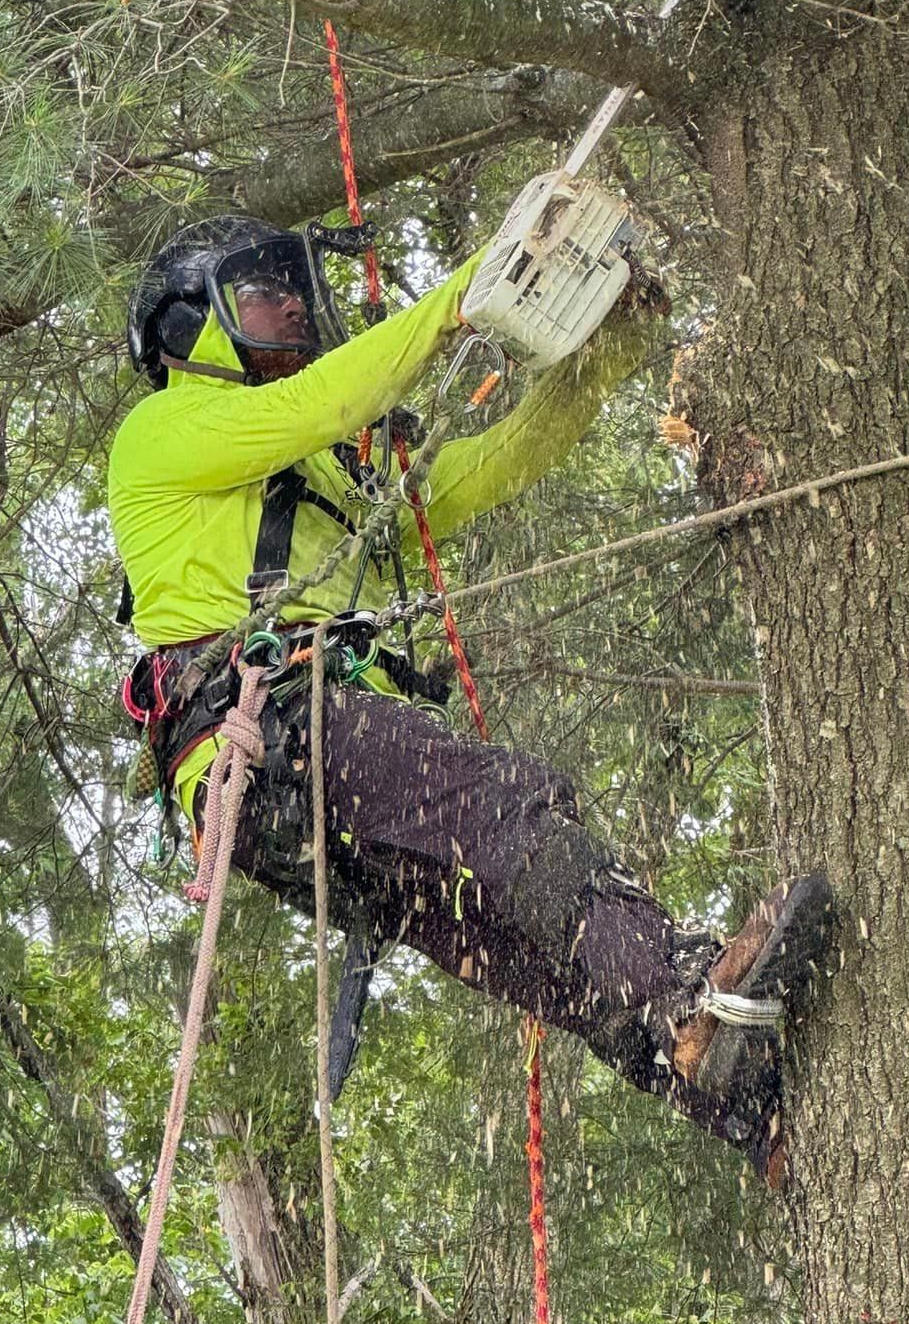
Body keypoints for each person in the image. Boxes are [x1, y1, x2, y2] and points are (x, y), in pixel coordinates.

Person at [109, 213, 835, 1184]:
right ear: (191, 327)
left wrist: (601, 361)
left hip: (293, 784)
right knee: (498, 803)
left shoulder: (330, 472)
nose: (290, 305)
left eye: (295, 292)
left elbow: (488, 466)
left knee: (515, 939)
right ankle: (689, 987)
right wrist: (468, 292)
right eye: (261, 294)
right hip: (265, 729)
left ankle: (738, 1102)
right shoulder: (161, 431)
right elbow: (328, 399)